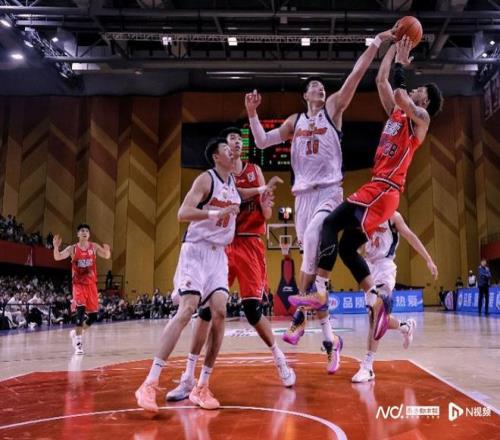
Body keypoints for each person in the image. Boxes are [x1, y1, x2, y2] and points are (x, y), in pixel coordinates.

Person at [245, 28, 396, 373]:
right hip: (301, 198)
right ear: (304, 94)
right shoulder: (295, 121)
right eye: (314, 86)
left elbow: (356, 75)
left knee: (316, 235)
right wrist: (252, 113)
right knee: (311, 265)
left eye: (321, 86)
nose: (320, 88)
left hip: (329, 192)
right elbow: (262, 141)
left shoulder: (333, 109)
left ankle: (300, 314)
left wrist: (375, 43)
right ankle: (330, 340)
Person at [289, 36, 443, 344]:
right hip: (376, 188)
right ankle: (375, 299)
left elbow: (400, 94)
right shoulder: (396, 115)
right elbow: (381, 81)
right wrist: (391, 47)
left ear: (424, 102)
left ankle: (319, 291)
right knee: (347, 248)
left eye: (420, 92)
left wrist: (401, 62)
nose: (415, 91)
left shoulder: (421, 119)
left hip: (385, 190)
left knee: (330, 222)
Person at [166, 127, 295, 404]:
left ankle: (280, 359)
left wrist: (266, 203)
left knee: (252, 310)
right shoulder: (218, 177)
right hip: (221, 246)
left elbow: (266, 211)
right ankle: (189, 378)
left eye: (239, 139)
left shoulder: (254, 171)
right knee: (205, 312)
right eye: (231, 140)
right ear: (222, 150)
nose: (236, 143)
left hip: (249, 243)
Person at [135, 138, 245, 413]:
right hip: (195, 251)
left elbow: (246, 188)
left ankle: (202, 386)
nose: (232, 151)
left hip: (218, 255)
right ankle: (149, 383)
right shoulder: (206, 180)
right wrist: (217, 212)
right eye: (226, 149)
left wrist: (263, 192)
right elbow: (182, 213)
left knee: (220, 312)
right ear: (216, 157)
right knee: (187, 310)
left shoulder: (234, 185)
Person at [351, 211, 438, 382]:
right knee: (375, 318)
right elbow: (360, 246)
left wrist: (428, 259)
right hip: (368, 268)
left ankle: (368, 366)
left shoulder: (393, 217)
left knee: (377, 313)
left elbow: (411, 237)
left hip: (385, 267)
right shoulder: (366, 214)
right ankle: (405, 326)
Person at [53, 224, 111, 355]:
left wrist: (107, 251)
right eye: (82, 231)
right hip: (78, 285)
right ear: (78, 234)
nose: (85, 232)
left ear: (89, 235)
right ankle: (78, 345)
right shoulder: (72, 248)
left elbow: (106, 256)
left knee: (93, 316)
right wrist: (56, 247)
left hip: (91, 285)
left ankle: (76, 333)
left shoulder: (94, 247)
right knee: (80, 313)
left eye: (87, 231)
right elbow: (57, 257)